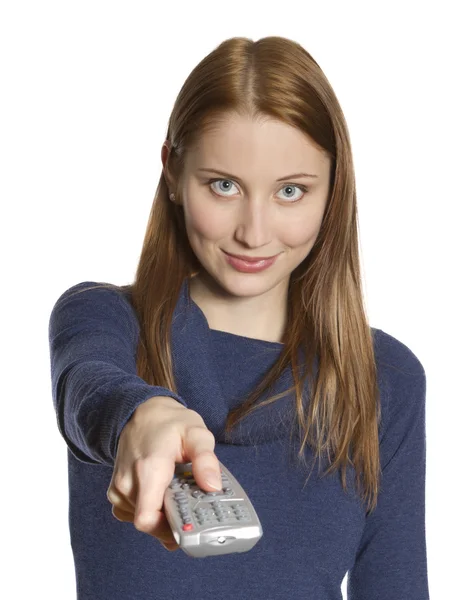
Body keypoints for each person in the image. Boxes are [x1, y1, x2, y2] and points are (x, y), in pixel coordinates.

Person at [48, 35, 430, 600]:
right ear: (173, 172)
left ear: (333, 193)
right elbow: (89, 387)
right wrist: (143, 414)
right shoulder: (105, 318)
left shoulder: (385, 377)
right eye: (223, 186)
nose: (254, 232)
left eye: (291, 191)